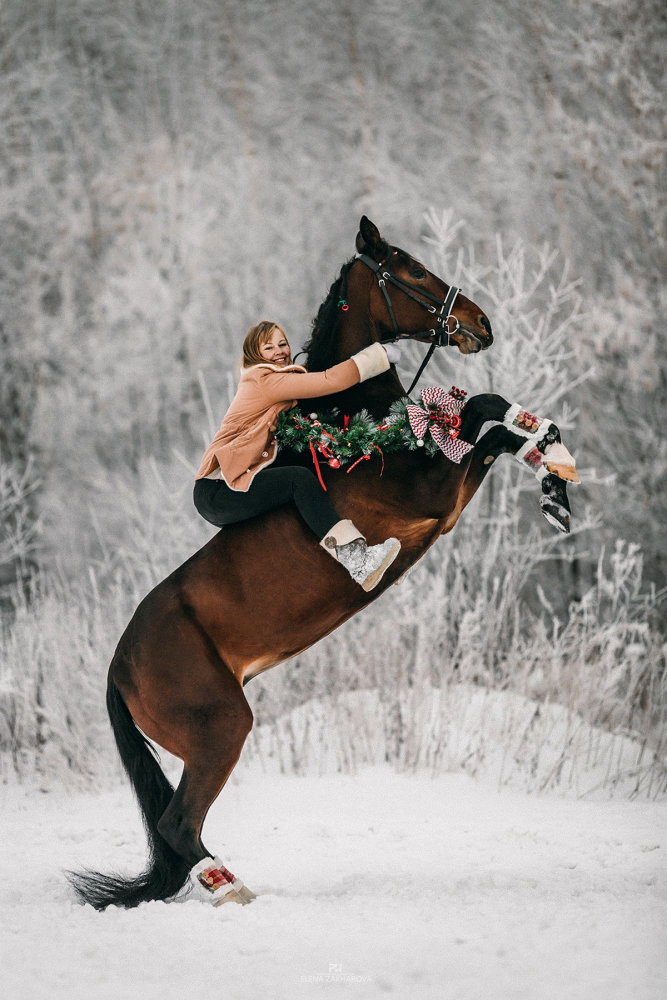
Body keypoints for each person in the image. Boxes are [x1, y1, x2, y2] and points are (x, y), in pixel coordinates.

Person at [194, 321, 401, 591]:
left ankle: (368, 555)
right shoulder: (264, 380)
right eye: (269, 347)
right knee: (297, 480)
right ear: (254, 355)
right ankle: (357, 560)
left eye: (282, 344)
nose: (280, 351)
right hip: (218, 489)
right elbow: (331, 380)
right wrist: (380, 355)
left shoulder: (276, 381)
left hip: (232, 486)